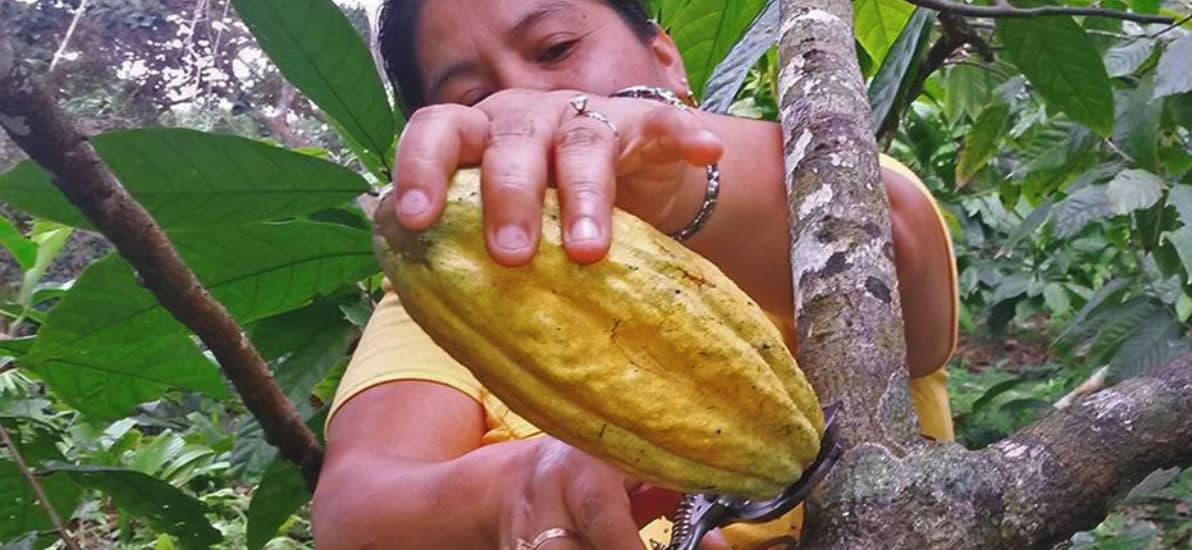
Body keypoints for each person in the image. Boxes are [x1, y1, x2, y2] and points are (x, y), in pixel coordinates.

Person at [308, 0, 962, 548]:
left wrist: (675, 185)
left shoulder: (817, 182)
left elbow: (896, 259)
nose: (525, 95)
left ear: (666, 59)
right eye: (475, 96)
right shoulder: (449, 275)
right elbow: (353, 509)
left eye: (555, 47)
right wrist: (516, 486)